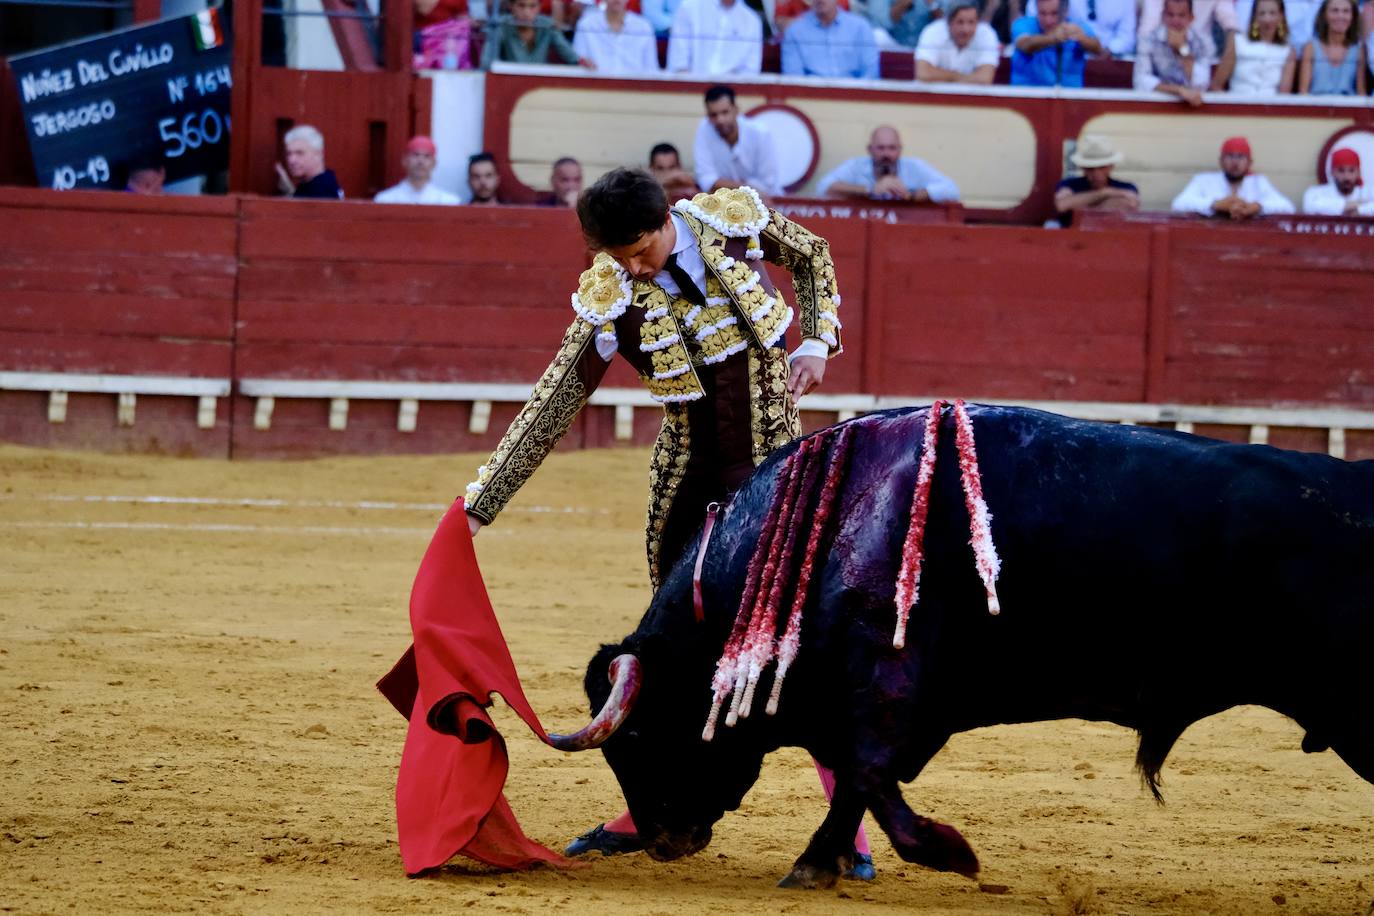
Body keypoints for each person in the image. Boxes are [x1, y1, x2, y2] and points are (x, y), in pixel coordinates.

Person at [459, 168, 859, 872]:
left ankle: (847, 823)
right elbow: (555, 402)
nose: (632, 267)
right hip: (688, 489)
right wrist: (480, 505)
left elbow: (813, 255)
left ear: (665, 219)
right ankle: (646, 811)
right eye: (617, 256)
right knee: (675, 661)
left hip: (779, 478)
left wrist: (819, 340)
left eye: (640, 250)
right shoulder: (610, 295)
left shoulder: (732, 224)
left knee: (807, 645)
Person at [816, 125, 960, 202]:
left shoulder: (914, 167)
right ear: (870, 149)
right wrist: (870, 190)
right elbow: (822, 187)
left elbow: (952, 190)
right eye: (881, 148)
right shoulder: (856, 166)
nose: (886, 154)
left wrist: (911, 195)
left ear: (900, 150)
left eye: (892, 148)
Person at [1170, 136, 1295, 219]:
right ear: (1221, 161)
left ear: (1249, 162)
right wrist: (1215, 205)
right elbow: (1178, 204)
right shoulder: (1203, 180)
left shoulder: (1258, 182)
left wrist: (1256, 207)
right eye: (1230, 156)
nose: (1235, 163)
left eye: (1241, 157)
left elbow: (1288, 207)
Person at [692, 85, 782, 198]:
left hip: (766, 204)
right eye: (713, 115)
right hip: (723, 203)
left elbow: (768, 183)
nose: (720, 120)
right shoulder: (704, 128)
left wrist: (724, 184)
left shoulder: (759, 133)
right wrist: (745, 187)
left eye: (725, 112)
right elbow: (706, 180)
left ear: (736, 110)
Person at [1134, 0, 1215, 104]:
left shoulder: (1202, 42)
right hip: (1156, 108)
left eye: (1181, 16)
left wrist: (1182, 49)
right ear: (1162, 16)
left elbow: (1201, 84)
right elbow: (1140, 80)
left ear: (1191, 18)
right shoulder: (1148, 40)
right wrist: (1178, 90)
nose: (1175, 21)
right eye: (1170, 15)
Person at [1052, 134, 1139, 227]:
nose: (1096, 173)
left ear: (1111, 166)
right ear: (1083, 168)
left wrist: (1080, 204)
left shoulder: (1126, 187)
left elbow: (1130, 204)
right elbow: (1062, 205)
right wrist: (1104, 193)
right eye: (1091, 168)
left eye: (1102, 167)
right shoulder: (1068, 184)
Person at [1010, 0, 1103, 87]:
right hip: (1026, 96)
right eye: (1042, 13)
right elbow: (1025, 45)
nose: (1048, 20)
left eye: (1054, 13)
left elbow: (1098, 49)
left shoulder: (1076, 27)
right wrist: (1053, 38)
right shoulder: (1023, 24)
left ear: (1065, 11)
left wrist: (1082, 39)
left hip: (1070, 98)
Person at [1210, 0, 1295, 93]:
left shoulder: (1287, 50)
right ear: (1254, 17)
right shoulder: (1238, 42)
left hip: (1270, 104)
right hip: (1239, 102)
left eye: (1272, 13)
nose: (1267, 19)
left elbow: (1284, 94)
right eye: (1262, 13)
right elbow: (1216, 85)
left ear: (1281, 16)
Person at [781, 0, 880, 77]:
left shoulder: (860, 28)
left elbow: (871, 74)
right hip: (810, 99)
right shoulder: (794, 32)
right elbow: (793, 79)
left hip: (855, 98)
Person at [480, 0, 592, 68]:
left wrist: (582, 62)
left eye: (532, 6)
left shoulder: (547, 26)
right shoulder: (500, 25)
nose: (526, 12)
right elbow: (487, 62)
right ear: (512, 7)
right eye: (521, 5)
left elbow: (569, 54)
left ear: (539, 7)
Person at [666, 0, 765, 73]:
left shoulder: (752, 21)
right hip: (690, 90)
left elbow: (750, 70)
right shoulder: (689, 7)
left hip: (730, 93)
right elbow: (678, 62)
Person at [915, 0, 1000, 83]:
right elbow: (923, 74)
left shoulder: (986, 34)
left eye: (971, 22)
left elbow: (984, 79)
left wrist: (947, 77)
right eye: (960, 22)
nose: (965, 29)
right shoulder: (933, 31)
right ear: (948, 22)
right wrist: (958, 76)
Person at [1298, 0, 1367, 94]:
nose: (1340, 16)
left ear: (1352, 16)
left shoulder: (1359, 50)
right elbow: (1303, 92)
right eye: (1335, 10)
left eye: (1346, 11)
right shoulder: (1310, 48)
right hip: (1316, 106)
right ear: (1325, 15)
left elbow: (1361, 92)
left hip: (1348, 106)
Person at [573, 0, 661, 72]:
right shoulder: (587, 24)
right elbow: (579, 65)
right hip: (597, 87)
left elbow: (651, 70)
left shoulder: (643, 27)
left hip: (636, 89)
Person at [374, 136, 462, 205]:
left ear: (434, 163)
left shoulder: (449, 202)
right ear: (405, 160)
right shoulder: (385, 200)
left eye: (427, 156)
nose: (420, 161)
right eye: (416, 155)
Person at [275, 125, 344, 199]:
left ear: (318, 154)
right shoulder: (321, 182)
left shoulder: (322, 191)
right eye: (289, 154)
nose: (291, 160)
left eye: (299, 153)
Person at [1301, 147, 1374, 215]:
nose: (1346, 177)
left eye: (1351, 171)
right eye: (1341, 171)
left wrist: (1360, 210)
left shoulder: (1367, 192)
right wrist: (1351, 205)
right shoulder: (1316, 192)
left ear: (1358, 172)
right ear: (1333, 172)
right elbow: (1309, 206)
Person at [1139, 0, 1237, 42]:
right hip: (1162, 53)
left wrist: (1233, 36)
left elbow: (1230, 21)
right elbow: (1147, 30)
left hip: (1201, 54)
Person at [1066, 0, 1137, 55]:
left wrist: (1107, 51)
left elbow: (1127, 37)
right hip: (1069, 54)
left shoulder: (1125, 2)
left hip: (1108, 60)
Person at [869, 0, 948, 48]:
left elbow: (945, 26)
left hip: (925, 47)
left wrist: (932, 5)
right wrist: (903, 3)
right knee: (878, 36)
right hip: (895, 43)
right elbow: (883, 23)